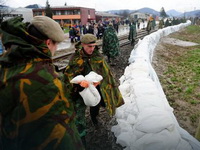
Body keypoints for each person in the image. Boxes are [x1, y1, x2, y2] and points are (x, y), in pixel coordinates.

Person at [0, 16, 84, 150]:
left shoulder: (8, 62)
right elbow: (60, 139)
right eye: (56, 44)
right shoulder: (46, 83)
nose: (56, 49)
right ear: (48, 42)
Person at [63, 33, 124, 147]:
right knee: (79, 117)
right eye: (89, 47)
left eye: (94, 46)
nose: (92, 49)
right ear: (82, 45)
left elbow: (104, 72)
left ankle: (94, 118)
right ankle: (81, 140)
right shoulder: (76, 59)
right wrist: (80, 85)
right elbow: (68, 77)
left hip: (95, 88)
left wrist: (99, 81)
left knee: (95, 104)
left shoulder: (97, 56)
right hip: (79, 92)